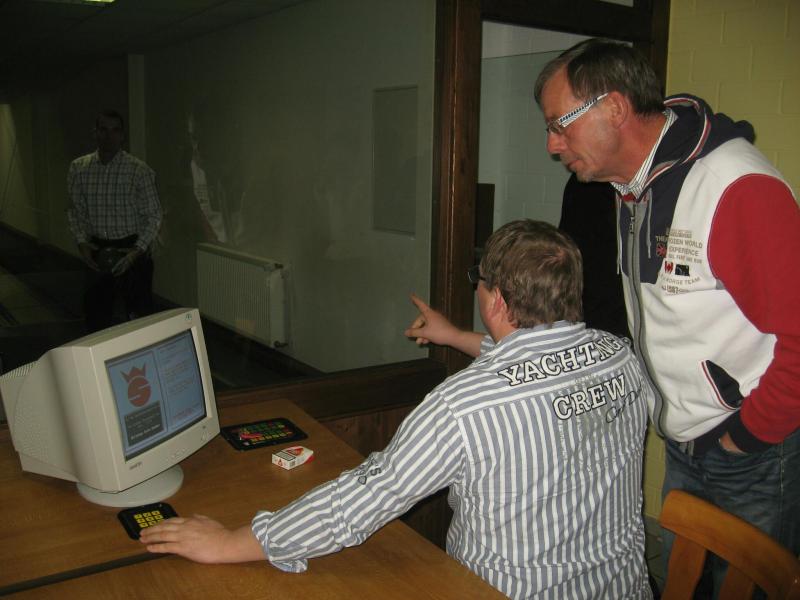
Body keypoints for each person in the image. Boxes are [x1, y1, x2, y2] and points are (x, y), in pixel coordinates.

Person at [141, 219, 654, 599]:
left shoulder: (462, 406)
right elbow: (541, 364)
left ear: (497, 300)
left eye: (479, 281)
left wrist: (230, 542)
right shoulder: (621, 357)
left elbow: (358, 503)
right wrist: (455, 336)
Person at [532, 38, 800, 592]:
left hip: (750, 447)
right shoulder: (629, 187)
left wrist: (746, 436)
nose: (552, 144)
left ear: (614, 107)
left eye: (560, 124)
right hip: (686, 439)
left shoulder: (734, 186)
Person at [67, 109, 162, 332]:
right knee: (96, 320)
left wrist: (135, 253)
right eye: (103, 130)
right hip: (97, 251)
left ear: (122, 135)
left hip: (132, 250)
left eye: (115, 130)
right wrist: (82, 243)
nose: (109, 136)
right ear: (95, 133)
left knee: (139, 321)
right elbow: (74, 211)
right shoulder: (79, 169)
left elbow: (154, 215)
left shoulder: (139, 170)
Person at [558, 173, 629, 339]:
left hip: (614, 308)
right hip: (587, 305)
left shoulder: (630, 184)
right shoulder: (580, 182)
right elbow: (566, 249)